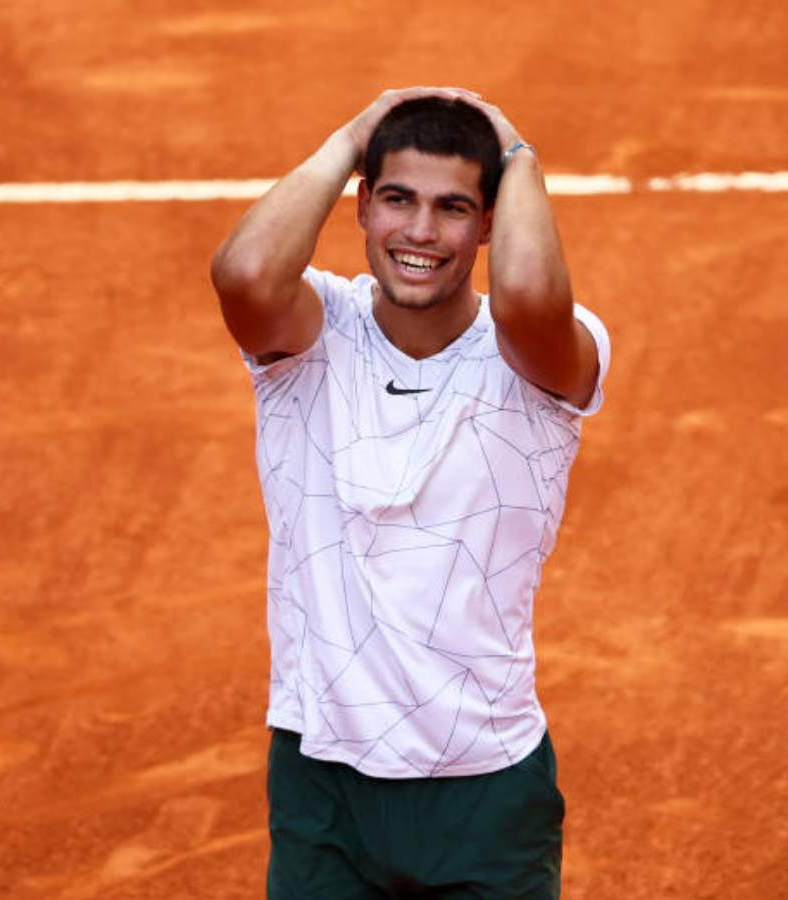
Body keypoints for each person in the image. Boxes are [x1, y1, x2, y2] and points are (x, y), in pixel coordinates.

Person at [210, 86, 609, 899]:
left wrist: (518, 149)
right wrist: (354, 131)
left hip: (487, 791)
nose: (421, 233)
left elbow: (531, 296)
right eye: (397, 199)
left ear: (490, 224)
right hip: (322, 781)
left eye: (453, 207)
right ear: (360, 203)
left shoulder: (545, 354)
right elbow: (246, 273)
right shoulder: (311, 335)